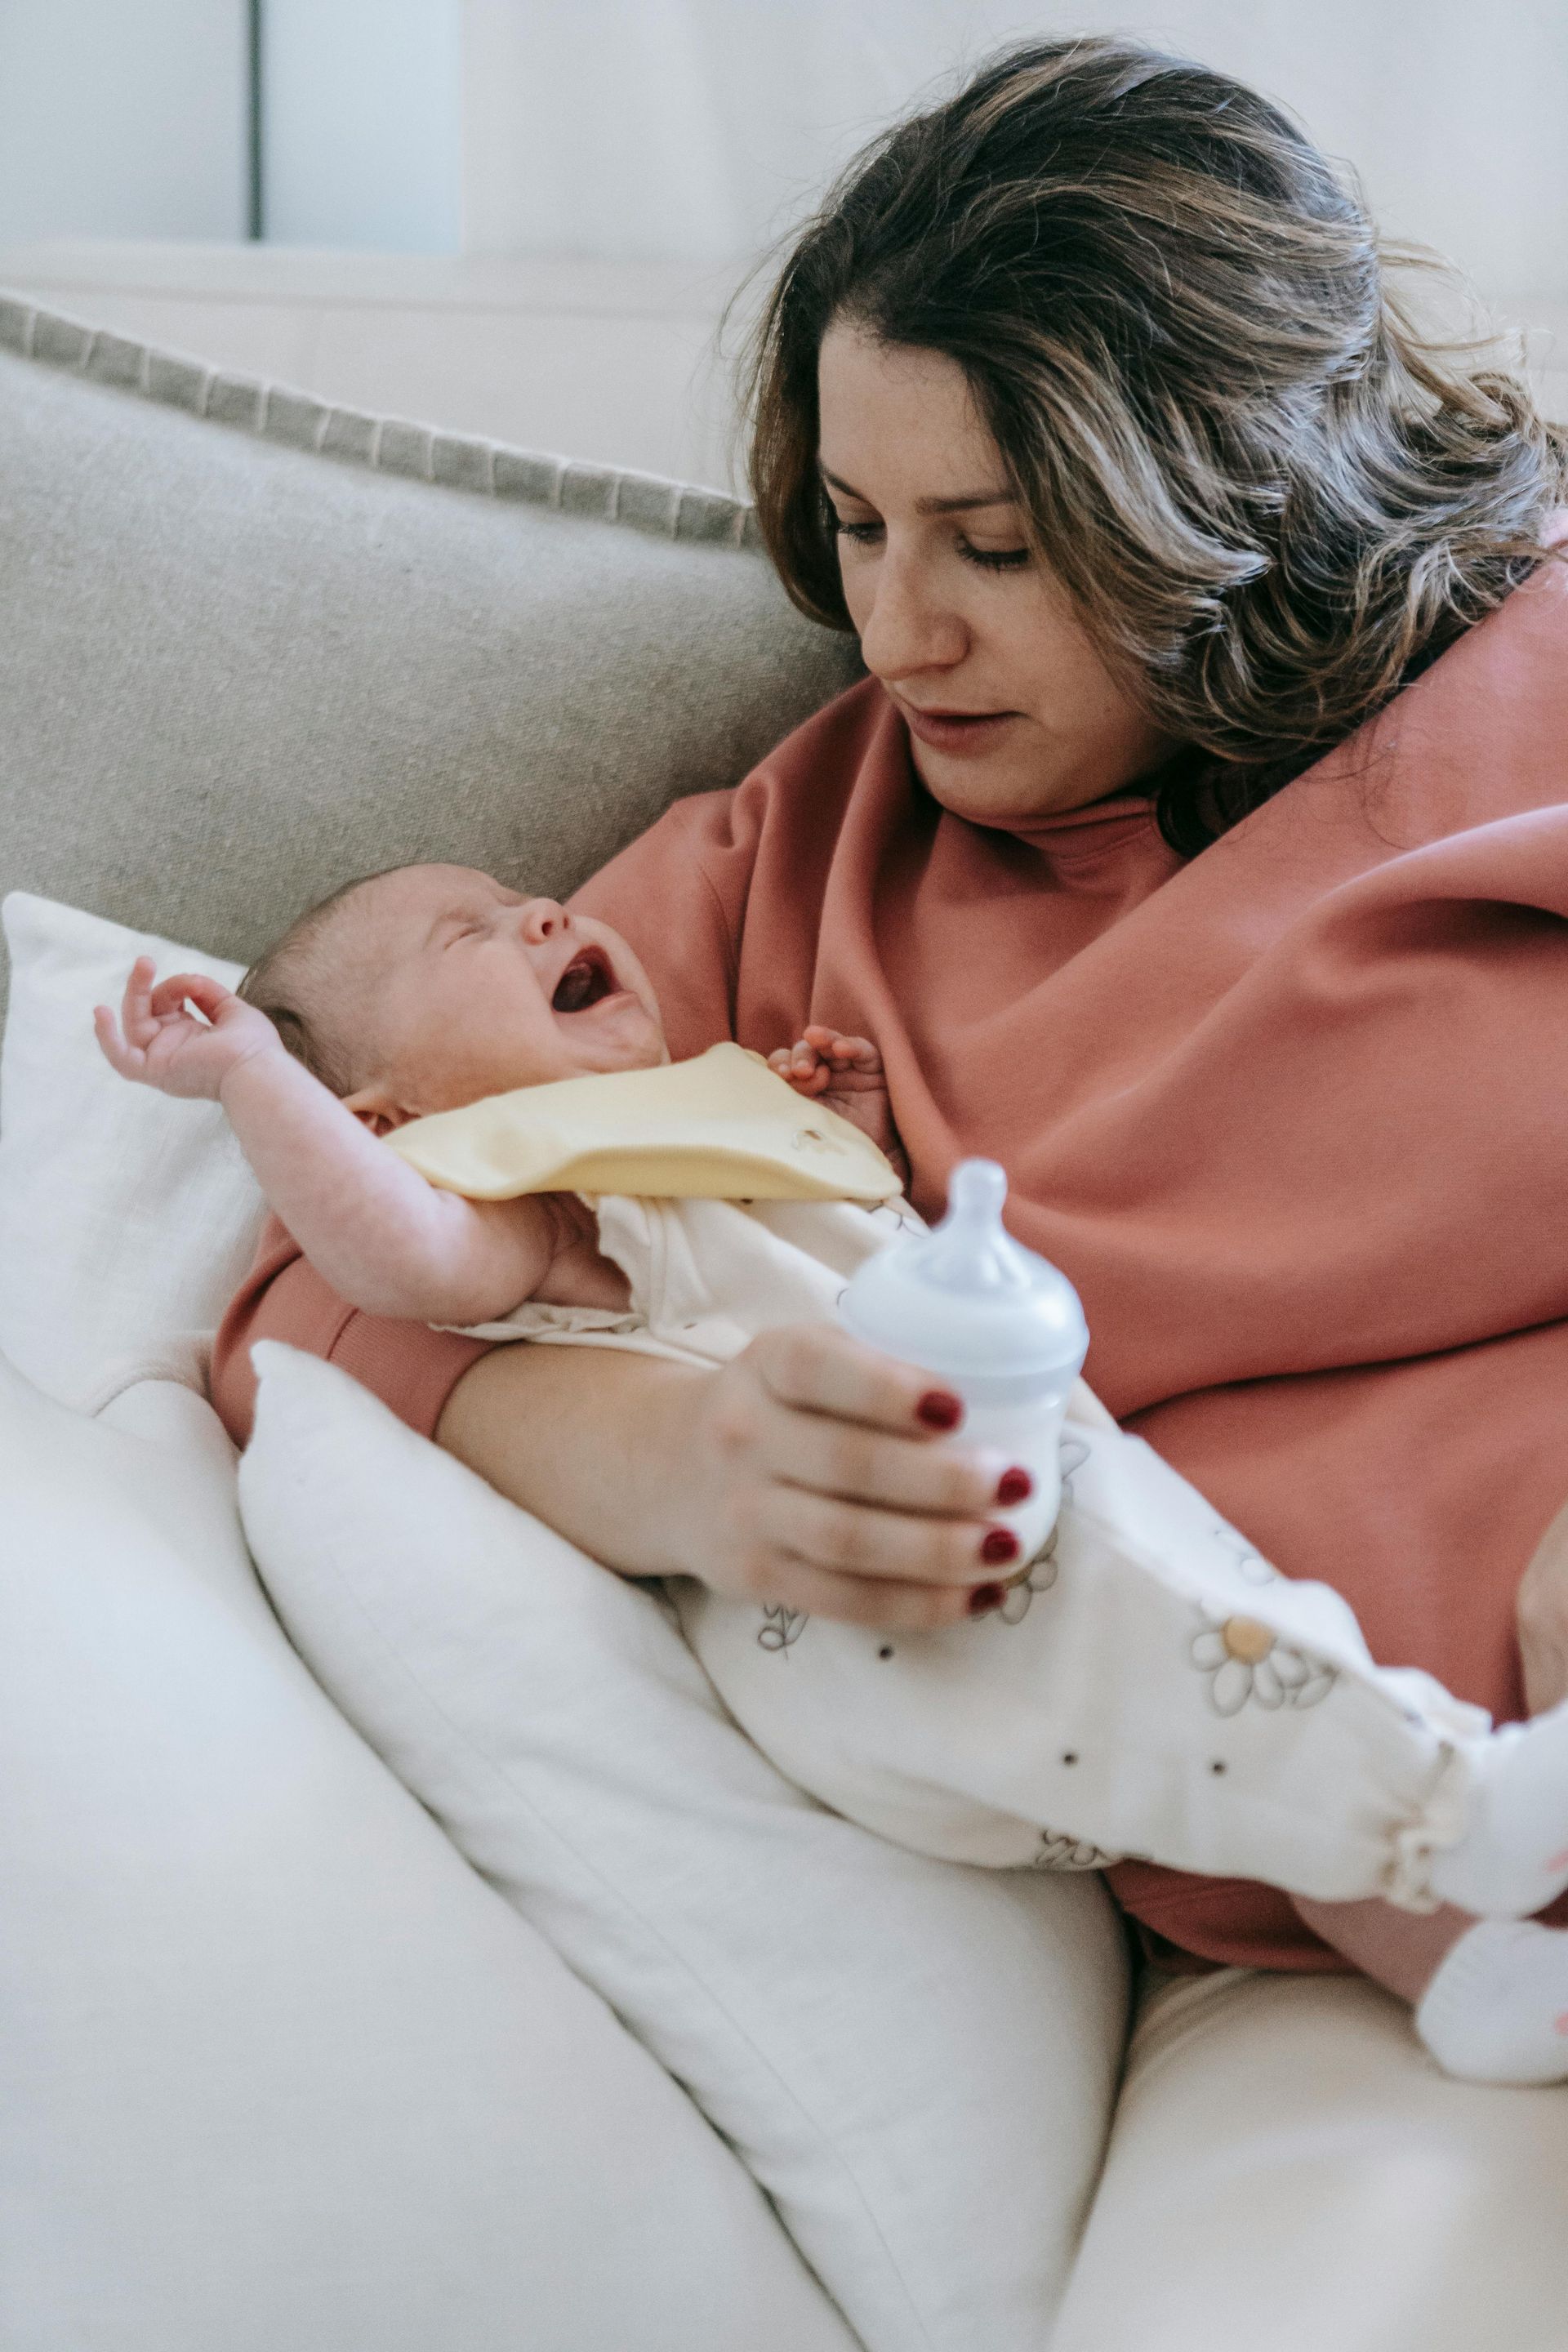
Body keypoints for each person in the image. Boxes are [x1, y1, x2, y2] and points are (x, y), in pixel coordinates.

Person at [208, 34, 1568, 2338]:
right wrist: (693, 1466)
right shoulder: (806, 856)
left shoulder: (1522, 713)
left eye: (997, 549)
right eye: (855, 525)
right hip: (1331, 1905)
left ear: (1230, 494)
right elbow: (319, 1270)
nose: (896, 629)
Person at [100, 866, 1568, 2079]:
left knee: (1229, 1717)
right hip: (874, 1600)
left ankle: (1459, 1975)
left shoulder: (691, 1140)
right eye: (470, 936)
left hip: (982, 1631)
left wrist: (834, 1141)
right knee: (1183, 1623)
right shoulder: (529, 1203)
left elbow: (818, 1263)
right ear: (391, 1123)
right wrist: (250, 1078)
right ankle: (1464, 1795)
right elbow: (390, 1257)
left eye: (528, 898)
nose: (540, 916)